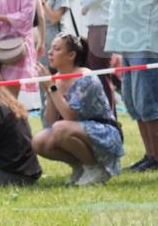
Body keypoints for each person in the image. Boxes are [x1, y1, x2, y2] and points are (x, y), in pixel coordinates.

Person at [105, 0, 158, 172]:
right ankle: (149, 154)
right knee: (134, 102)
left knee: (148, 101)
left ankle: (156, 156)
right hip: (127, 43)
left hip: (146, 42)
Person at [33, 34, 124, 185]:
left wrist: (52, 87)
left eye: (56, 49)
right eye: (51, 48)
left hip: (104, 131)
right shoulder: (55, 79)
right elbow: (49, 121)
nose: (50, 52)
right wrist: (50, 91)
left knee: (60, 128)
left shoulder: (86, 77)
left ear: (71, 55)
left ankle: (94, 168)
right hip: (75, 130)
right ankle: (80, 166)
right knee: (39, 142)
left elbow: (70, 116)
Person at [80, 0, 118, 108]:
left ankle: (110, 114)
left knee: (101, 74)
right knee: (97, 72)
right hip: (96, 28)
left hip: (101, 29)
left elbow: (86, 2)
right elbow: (87, 5)